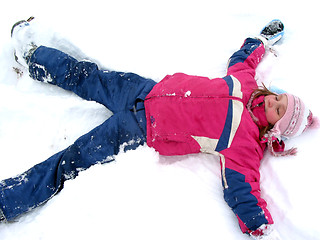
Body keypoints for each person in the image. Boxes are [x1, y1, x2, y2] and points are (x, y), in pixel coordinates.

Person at [0, 18, 317, 239]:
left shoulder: (244, 143)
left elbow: (242, 190)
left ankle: (7, 200)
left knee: (71, 160)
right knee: (88, 75)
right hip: (143, 90)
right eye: (279, 98)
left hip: (137, 130)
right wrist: (260, 41)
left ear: (276, 129)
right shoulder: (245, 82)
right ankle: (33, 58)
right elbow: (243, 59)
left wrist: (261, 229)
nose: (272, 102)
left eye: (279, 111)